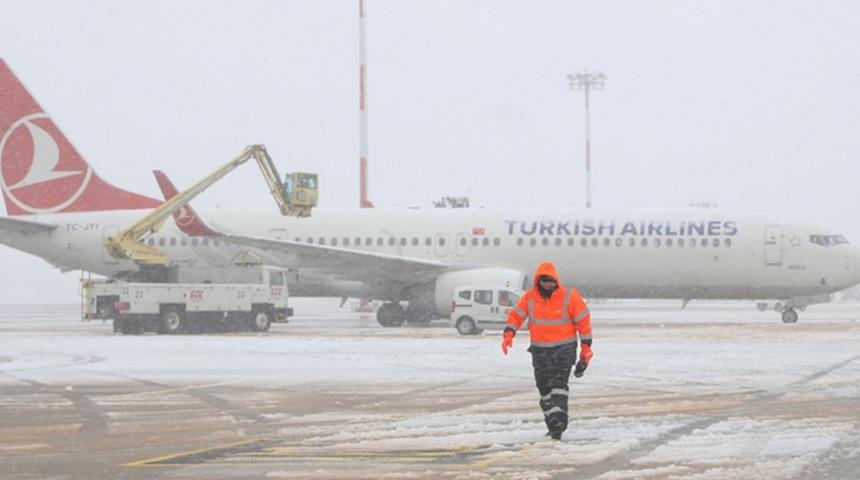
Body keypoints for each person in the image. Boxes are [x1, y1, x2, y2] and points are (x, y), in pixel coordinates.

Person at [501, 261, 593, 440]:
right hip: (540, 351)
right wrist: (509, 333)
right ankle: (554, 421)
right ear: (538, 281)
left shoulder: (569, 297)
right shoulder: (530, 298)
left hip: (563, 350)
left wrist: (586, 347)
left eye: (550, 281)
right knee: (544, 390)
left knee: (559, 387)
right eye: (544, 281)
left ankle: (557, 421)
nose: (547, 285)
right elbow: (516, 315)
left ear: (556, 281)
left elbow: (583, 322)